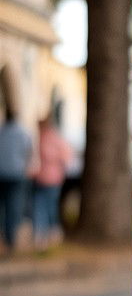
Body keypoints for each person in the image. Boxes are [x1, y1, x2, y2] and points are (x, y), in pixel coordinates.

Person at [31, 115, 74, 248]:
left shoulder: (49, 139)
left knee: (48, 206)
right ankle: (42, 233)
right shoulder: (44, 138)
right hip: (42, 178)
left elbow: (66, 156)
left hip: (51, 178)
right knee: (42, 206)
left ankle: (51, 231)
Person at [0, 107, 33, 253]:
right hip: (17, 174)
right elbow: (28, 152)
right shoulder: (23, 133)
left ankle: (4, 237)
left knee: (2, 206)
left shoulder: (1, 132)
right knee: (14, 206)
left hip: (2, 173)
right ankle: (10, 239)